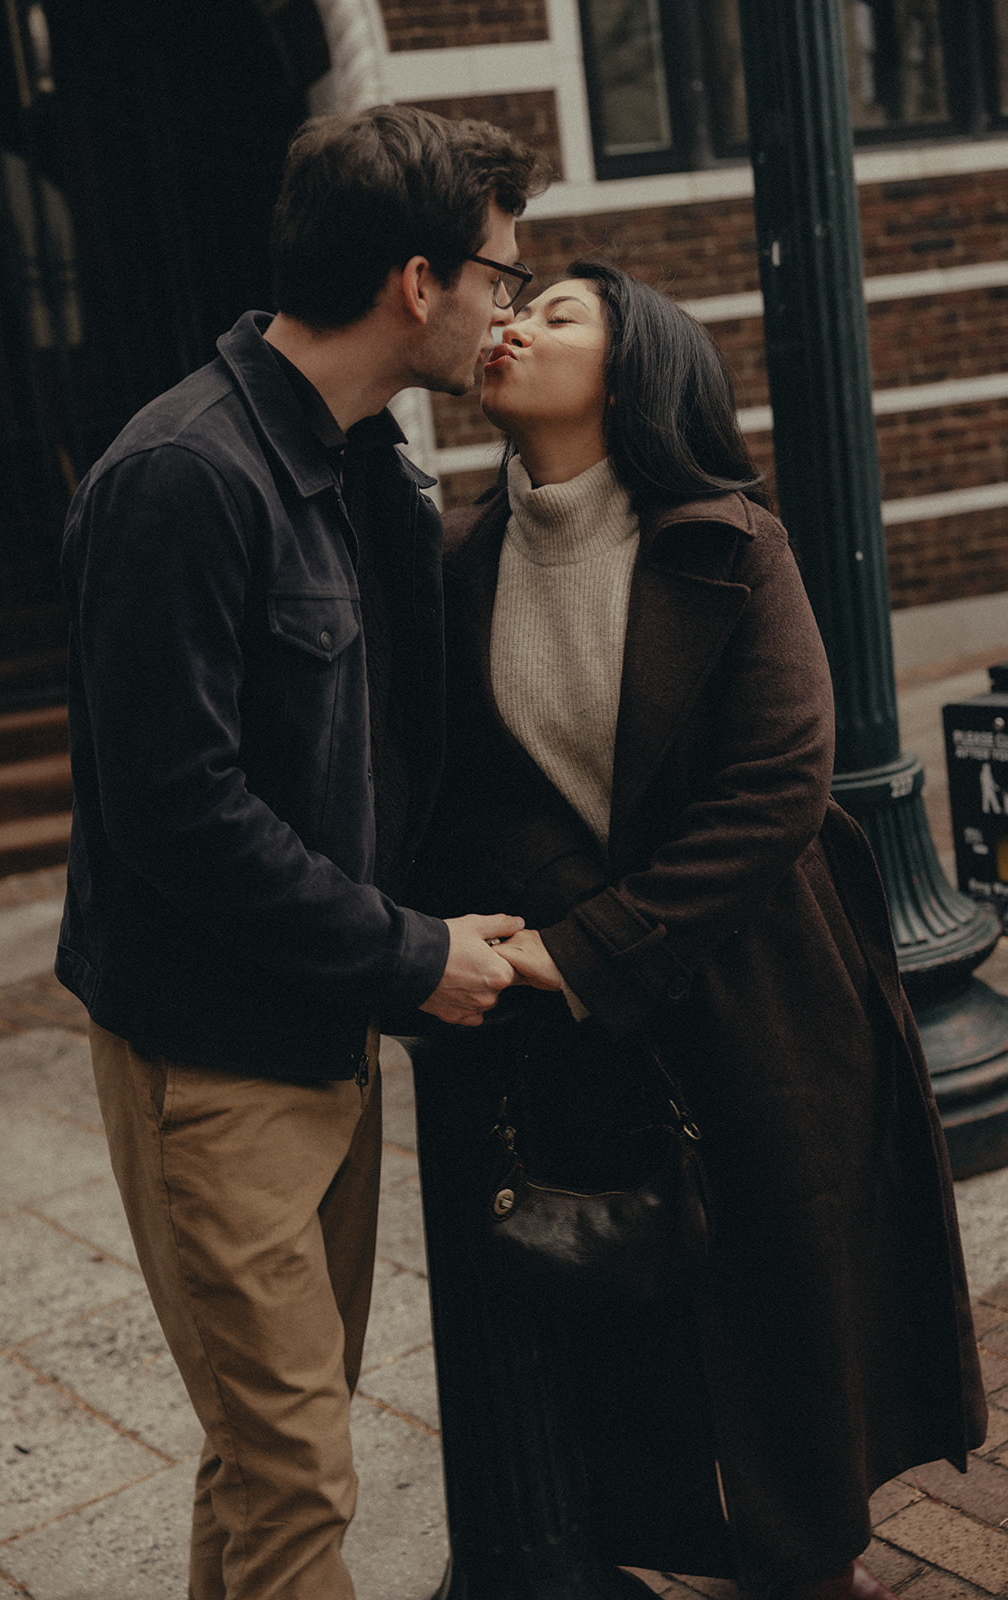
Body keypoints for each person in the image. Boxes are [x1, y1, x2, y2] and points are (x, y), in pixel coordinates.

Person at [412, 260, 987, 1600]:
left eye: (557, 314)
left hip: (761, 975)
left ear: (636, 369)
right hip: (583, 996)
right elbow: (465, 785)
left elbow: (783, 776)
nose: (512, 322)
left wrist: (604, 940)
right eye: (517, 301)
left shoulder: (728, 537)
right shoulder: (457, 560)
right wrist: (563, 923)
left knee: (791, 1284)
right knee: (638, 1288)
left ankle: (811, 1562)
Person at [54, 105, 551, 1599]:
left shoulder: (358, 470)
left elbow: (388, 757)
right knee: (294, 1477)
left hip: (323, 1038)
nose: (507, 308)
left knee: (278, 1447)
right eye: (499, 276)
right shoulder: (185, 477)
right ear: (418, 280)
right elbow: (178, 814)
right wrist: (410, 954)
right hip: (213, 1064)